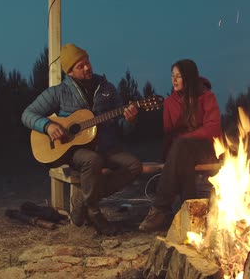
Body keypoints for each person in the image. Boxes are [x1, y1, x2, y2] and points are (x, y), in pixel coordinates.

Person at [22, 43, 142, 235]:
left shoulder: (107, 89)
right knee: (92, 160)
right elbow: (27, 114)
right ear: (69, 72)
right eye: (80, 66)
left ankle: (84, 202)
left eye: (87, 62)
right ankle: (94, 212)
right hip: (75, 150)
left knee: (134, 165)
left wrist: (131, 120)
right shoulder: (58, 92)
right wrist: (48, 126)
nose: (87, 67)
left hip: (106, 146)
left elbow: (123, 128)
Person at [139, 59, 221, 232]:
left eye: (179, 76)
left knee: (182, 147)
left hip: (205, 148)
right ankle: (192, 217)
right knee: (182, 157)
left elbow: (212, 129)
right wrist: (167, 159)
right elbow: (169, 133)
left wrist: (184, 138)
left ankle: (160, 209)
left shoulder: (206, 97)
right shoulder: (169, 102)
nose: (174, 80)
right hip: (182, 151)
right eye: (172, 76)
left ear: (189, 77)